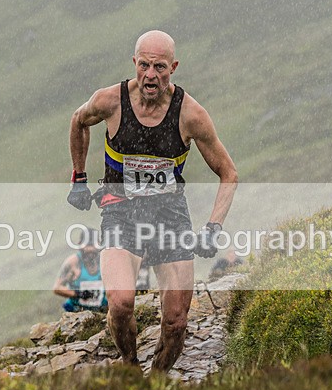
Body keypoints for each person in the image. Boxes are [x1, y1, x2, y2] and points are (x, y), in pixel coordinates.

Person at [67, 30, 238, 372]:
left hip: (169, 216)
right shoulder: (110, 101)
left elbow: (229, 174)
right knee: (120, 303)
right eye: (143, 65)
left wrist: (213, 228)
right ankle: (130, 368)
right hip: (120, 209)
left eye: (159, 67)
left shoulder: (190, 115)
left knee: (176, 321)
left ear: (173, 67)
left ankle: (157, 383)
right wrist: (79, 178)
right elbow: (78, 120)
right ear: (134, 63)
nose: (150, 75)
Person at [53, 228, 108, 312]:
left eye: (92, 245)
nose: (90, 249)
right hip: (76, 310)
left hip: (102, 310)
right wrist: (78, 294)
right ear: (80, 245)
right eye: (87, 245)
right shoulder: (73, 262)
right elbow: (57, 288)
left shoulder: (106, 261)